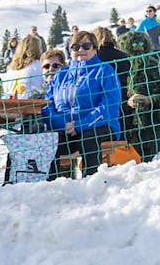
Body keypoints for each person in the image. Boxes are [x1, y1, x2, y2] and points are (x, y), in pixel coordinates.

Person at [42, 30, 122, 178]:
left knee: (88, 139)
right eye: (75, 47)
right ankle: (57, 186)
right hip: (67, 128)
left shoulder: (104, 70)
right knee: (53, 143)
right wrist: (63, 123)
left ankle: (92, 182)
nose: (81, 50)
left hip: (99, 125)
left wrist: (80, 125)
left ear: (95, 49)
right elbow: (48, 106)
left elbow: (108, 107)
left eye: (86, 46)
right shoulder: (61, 75)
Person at [117, 31, 160, 161]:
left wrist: (150, 99)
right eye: (134, 43)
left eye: (141, 43)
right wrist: (127, 102)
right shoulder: (120, 68)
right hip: (128, 128)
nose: (138, 47)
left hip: (156, 125)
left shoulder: (155, 68)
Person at [6, 34, 45, 99]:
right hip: (32, 103)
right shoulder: (38, 65)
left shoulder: (11, 68)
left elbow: (6, 88)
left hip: (11, 104)